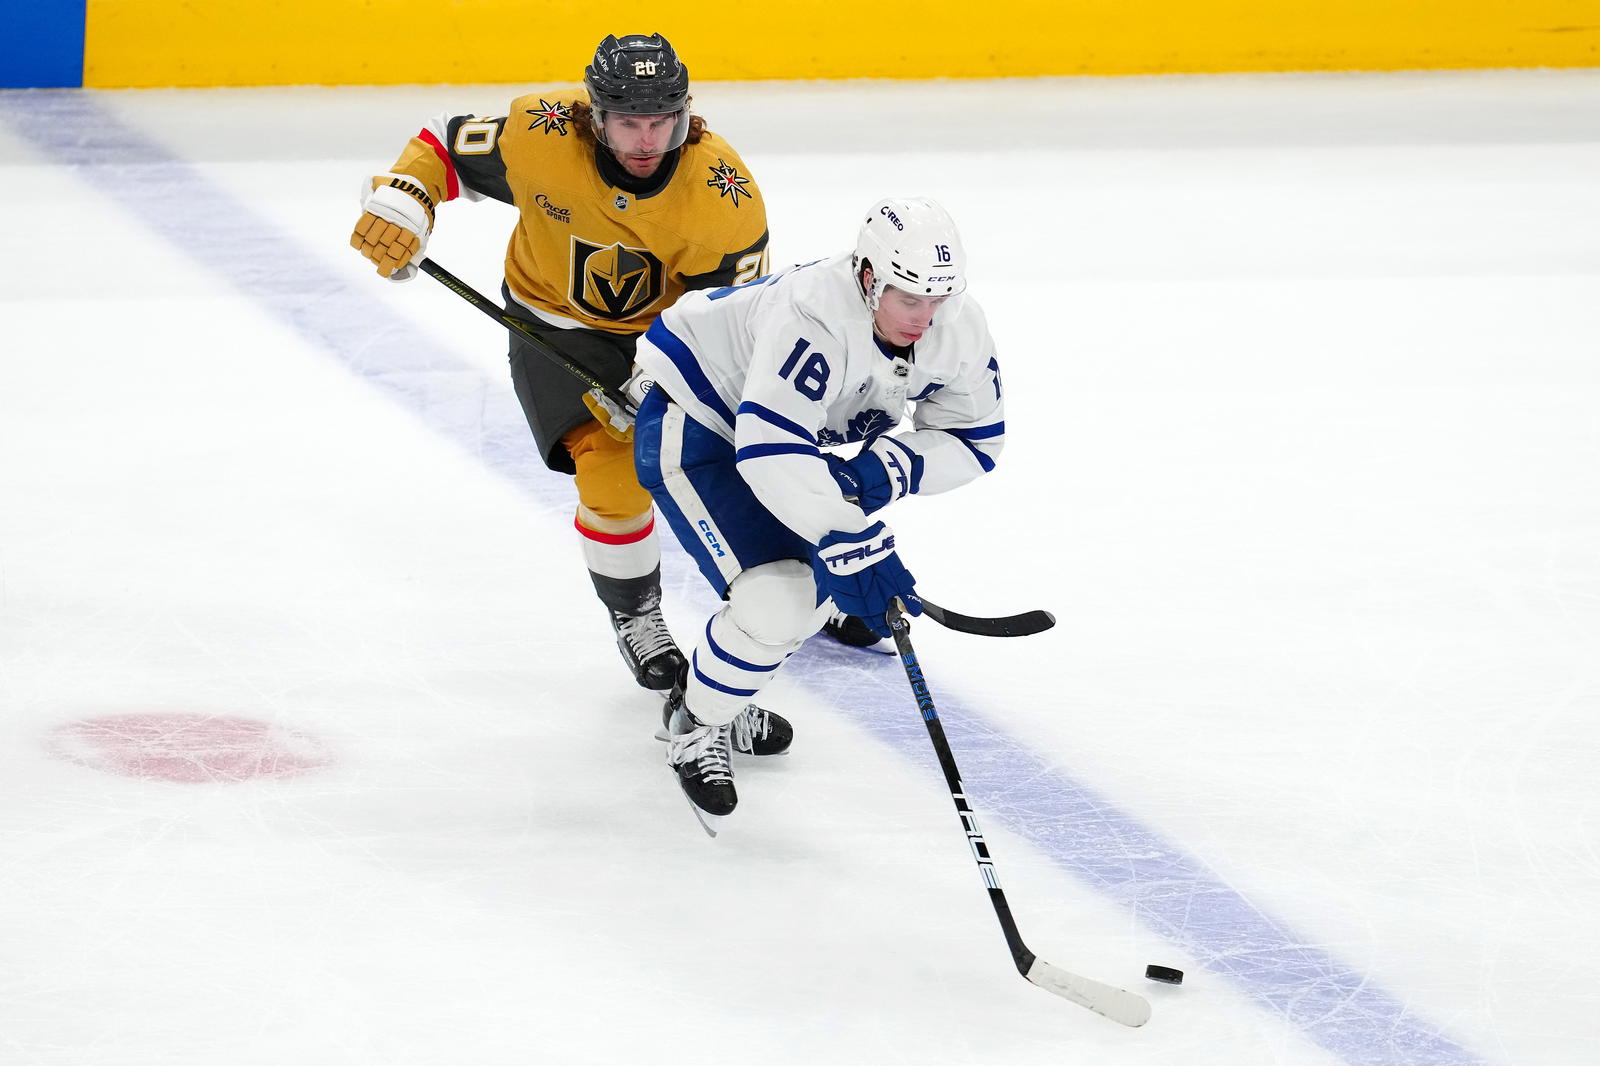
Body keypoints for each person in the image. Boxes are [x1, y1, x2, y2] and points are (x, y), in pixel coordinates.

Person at [348, 33, 769, 693]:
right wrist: (407, 198)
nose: (645, 140)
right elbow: (445, 145)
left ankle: (807, 583)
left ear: (686, 114)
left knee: (756, 457)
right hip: (555, 326)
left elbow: (734, 322)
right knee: (612, 475)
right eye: (627, 121)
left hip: (671, 338)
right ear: (594, 116)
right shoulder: (541, 133)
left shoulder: (724, 197)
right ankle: (637, 614)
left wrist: (668, 375)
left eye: (662, 121)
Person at [631, 196, 1005, 827]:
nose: (926, 318)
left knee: (814, 584)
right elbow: (768, 448)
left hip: (783, 442)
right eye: (909, 298)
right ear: (868, 277)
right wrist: (848, 539)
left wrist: (876, 474)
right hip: (698, 423)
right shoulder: (815, 314)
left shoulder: (955, 324)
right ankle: (693, 721)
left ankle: (749, 667)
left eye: (939, 298)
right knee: (778, 601)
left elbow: (977, 437)